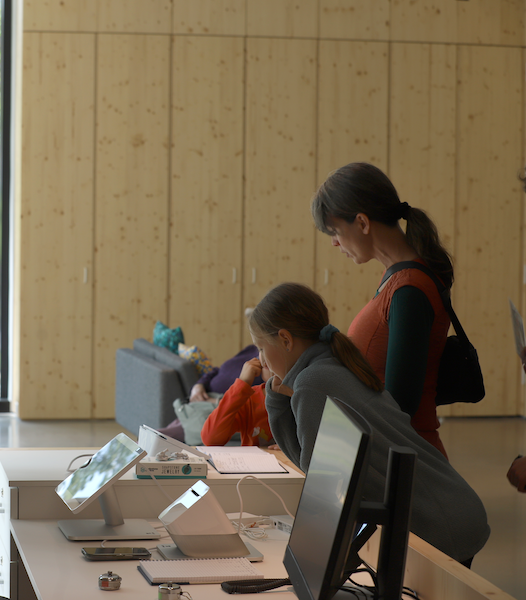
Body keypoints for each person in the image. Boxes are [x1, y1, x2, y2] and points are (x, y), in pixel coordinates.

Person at [248, 282, 489, 565]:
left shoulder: (312, 383)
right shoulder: (333, 365)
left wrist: (275, 401)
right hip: (453, 506)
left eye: (261, 348)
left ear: (286, 340)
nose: (260, 359)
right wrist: (277, 398)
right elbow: (312, 463)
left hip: (438, 523)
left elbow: (321, 483)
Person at [311, 162, 453, 458]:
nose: (335, 243)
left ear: (362, 223)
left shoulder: (409, 289)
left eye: (336, 231)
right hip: (388, 449)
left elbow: (399, 404)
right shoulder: (397, 278)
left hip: (406, 459)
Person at [158, 344, 263, 442]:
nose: (261, 354)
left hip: (210, 411)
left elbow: (254, 404)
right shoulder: (252, 349)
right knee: (153, 438)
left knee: (156, 440)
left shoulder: (266, 367)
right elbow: (216, 370)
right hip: (198, 404)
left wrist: (217, 401)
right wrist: (199, 385)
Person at [199, 356, 274, 447]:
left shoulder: (295, 399)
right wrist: (242, 384)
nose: (264, 357)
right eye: (260, 349)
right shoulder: (251, 399)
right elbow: (210, 439)